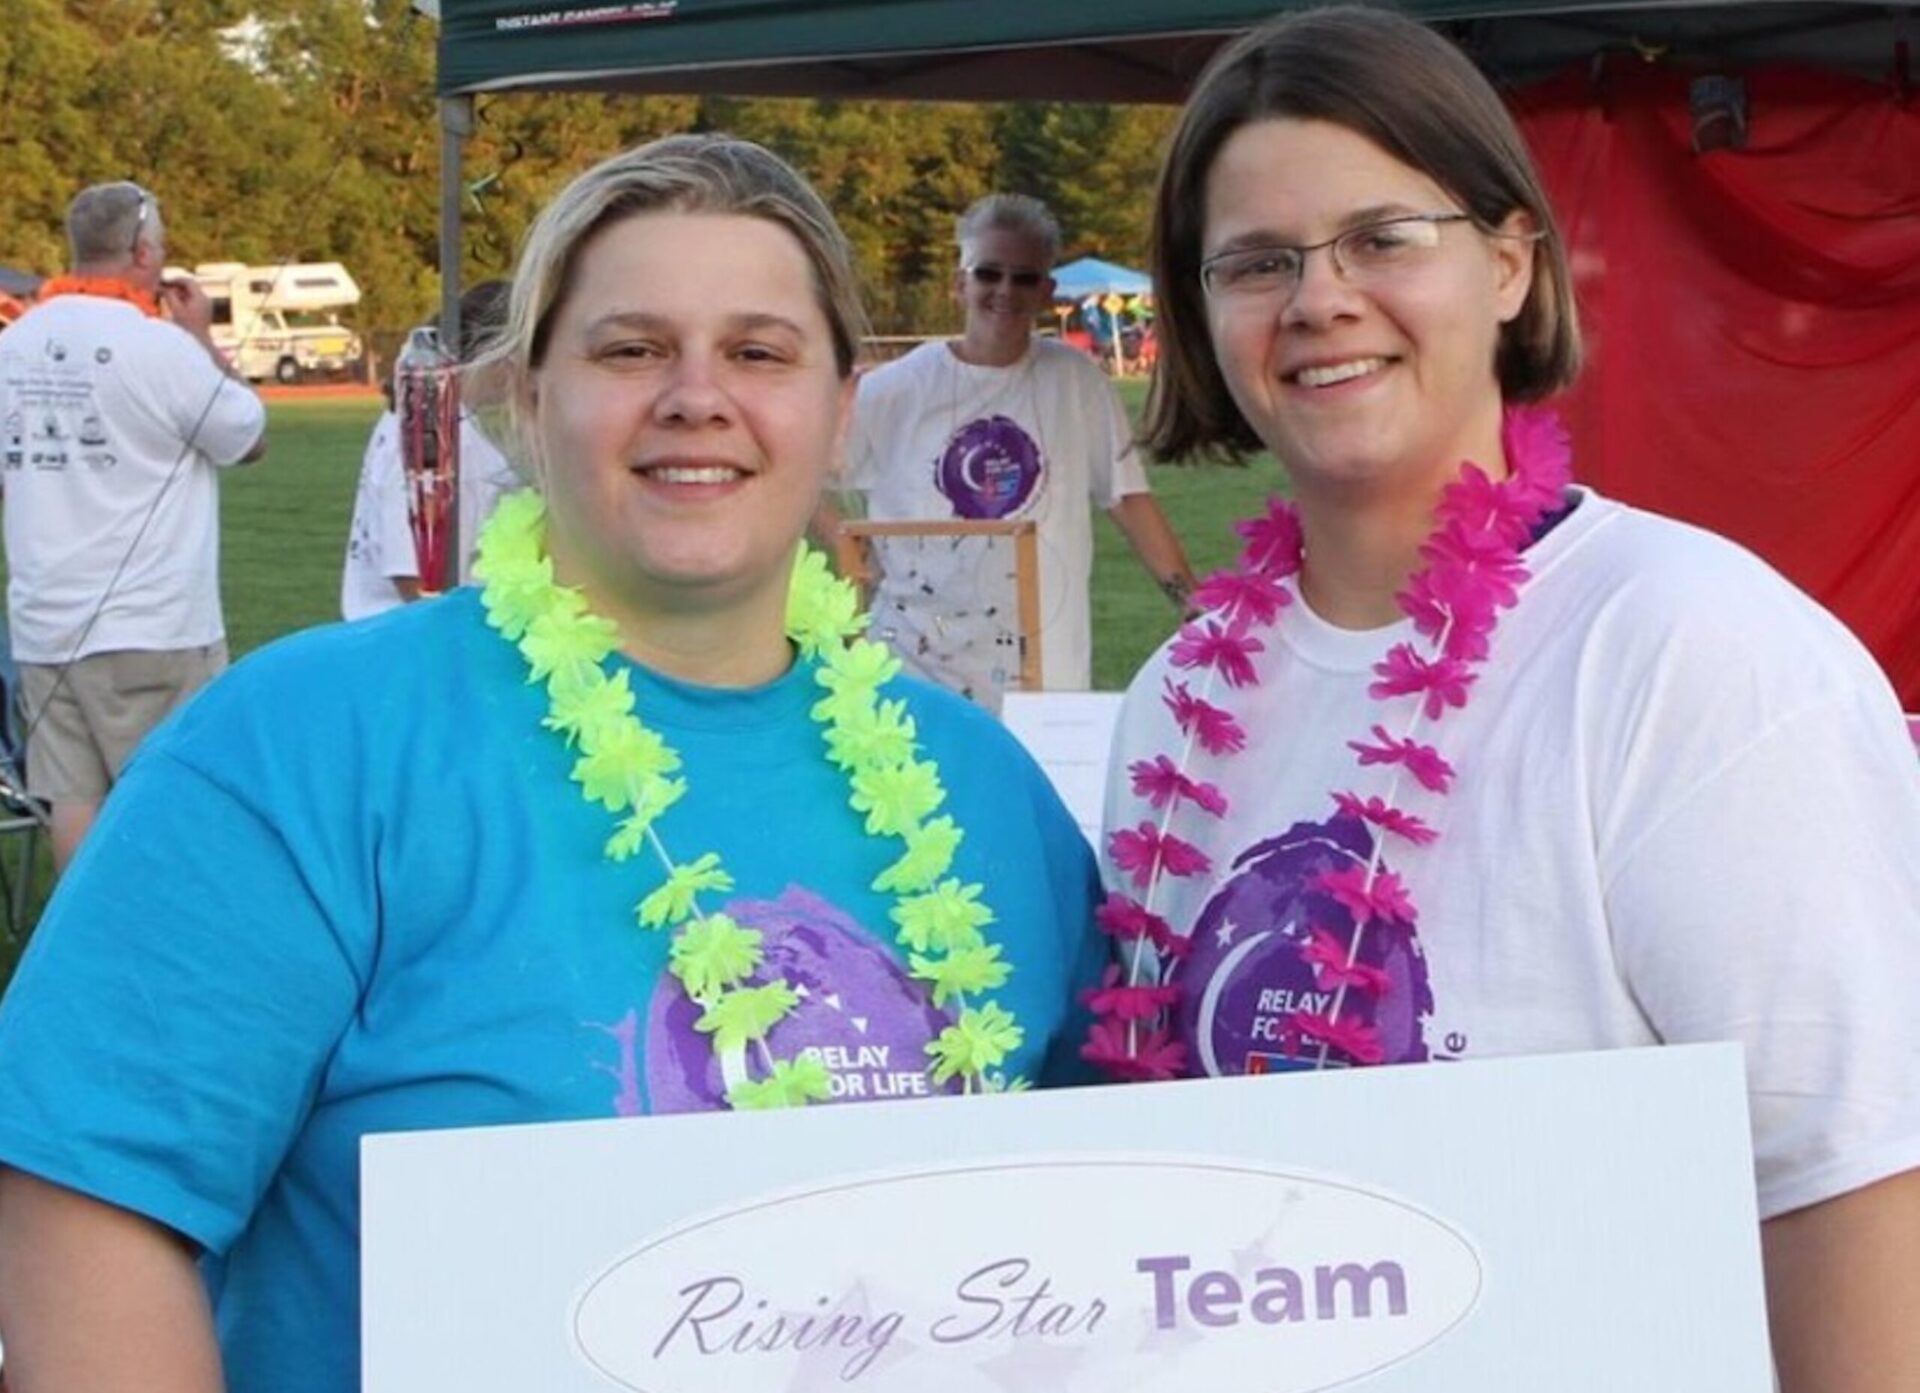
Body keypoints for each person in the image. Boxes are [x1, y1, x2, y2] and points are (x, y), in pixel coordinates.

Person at [0, 136, 1103, 1393]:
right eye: (631, 349)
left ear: (842, 408)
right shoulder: (302, 744)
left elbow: (1090, 1216)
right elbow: (86, 1202)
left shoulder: (983, 790)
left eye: (759, 351)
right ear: (527, 398)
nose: (697, 396)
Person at [1092, 9, 1920, 1391]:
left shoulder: (1687, 647)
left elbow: (1850, 1178)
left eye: (1381, 237)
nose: (1318, 300)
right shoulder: (1176, 701)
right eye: (1257, 262)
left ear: (1511, 263)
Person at [820, 193, 1194, 706]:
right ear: (959, 283)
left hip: (1043, 670)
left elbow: (1127, 497)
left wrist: (1191, 602)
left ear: (1047, 292)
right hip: (915, 670)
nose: (1005, 291)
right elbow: (803, 480)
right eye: (988, 273)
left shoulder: (1076, 381)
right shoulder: (894, 389)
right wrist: (853, 557)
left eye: (1024, 278)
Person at [0, 181, 266, 872]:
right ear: (144, 252)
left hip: (43, 618)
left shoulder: (16, 341)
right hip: (153, 623)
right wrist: (202, 337)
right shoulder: (161, 347)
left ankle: (87, 948)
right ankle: (166, 941)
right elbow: (247, 434)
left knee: (72, 797)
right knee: (174, 797)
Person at [339, 280, 523, 620]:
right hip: (415, 643)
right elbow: (416, 574)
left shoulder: (432, 417)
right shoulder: (440, 432)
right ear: (498, 352)